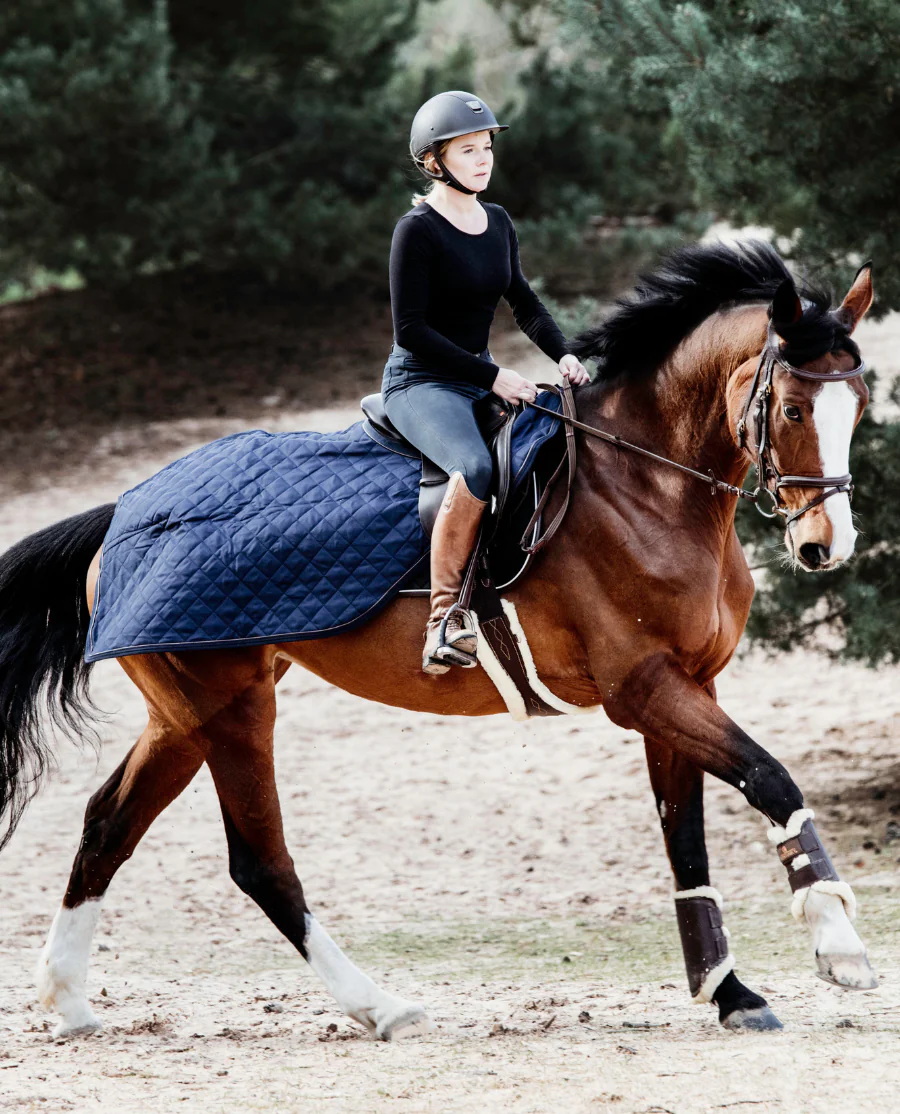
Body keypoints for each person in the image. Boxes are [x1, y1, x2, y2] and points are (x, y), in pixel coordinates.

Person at [383, 89, 590, 676]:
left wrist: (563, 353)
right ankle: (443, 619)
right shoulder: (416, 231)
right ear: (434, 162)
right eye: (468, 150)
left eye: (487, 148)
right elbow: (411, 330)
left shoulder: (496, 221)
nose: (483, 160)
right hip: (421, 382)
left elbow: (524, 302)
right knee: (474, 468)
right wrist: (495, 376)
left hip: (475, 375)